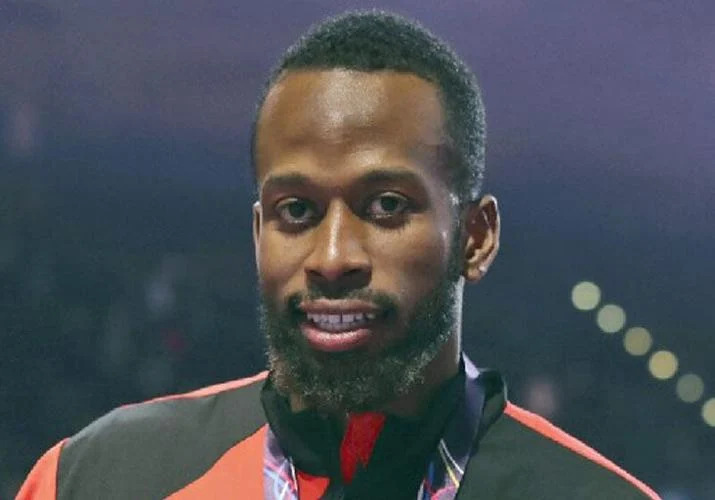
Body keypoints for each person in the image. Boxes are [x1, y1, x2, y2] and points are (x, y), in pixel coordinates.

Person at [19, 10, 660, 500]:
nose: (330, 258)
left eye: (385, 206)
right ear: (257, 234)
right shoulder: (97, 478)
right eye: (295, 211)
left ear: (475, 237)